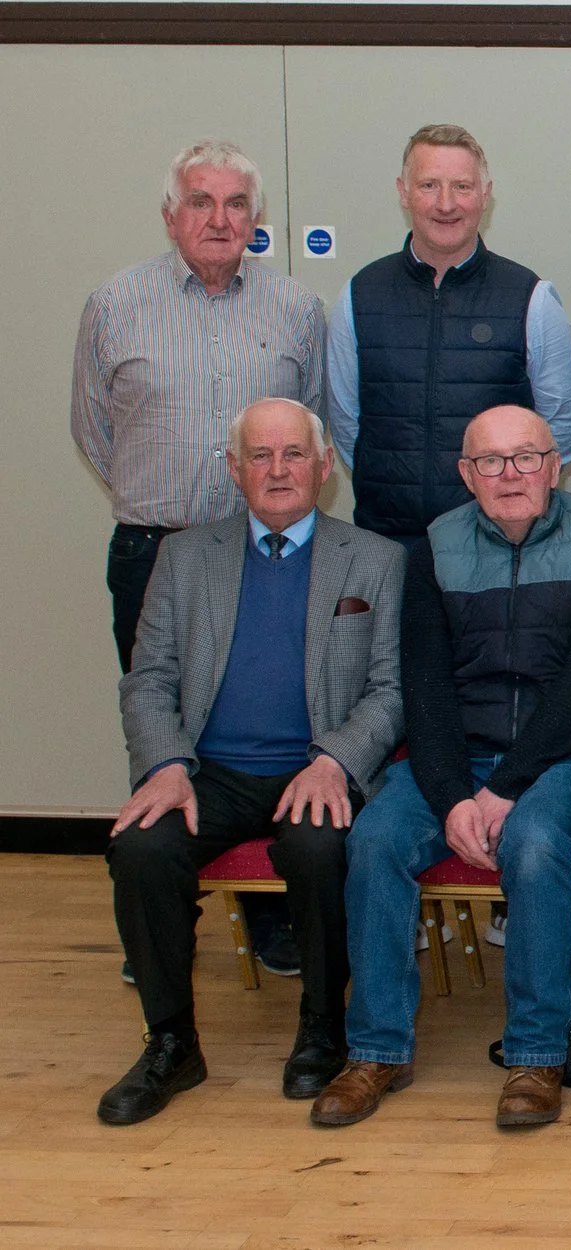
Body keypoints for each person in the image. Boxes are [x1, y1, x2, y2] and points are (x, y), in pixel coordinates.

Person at [313, 405, 571, 1130]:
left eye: (526, 457)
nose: (510, 474)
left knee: (535, 843)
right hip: (454, 759)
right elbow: (421, 686)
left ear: (556, 466)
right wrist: (457, 795)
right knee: (374, 842)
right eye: (491, 461)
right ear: (466, 474)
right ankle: (377, 1049)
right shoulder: (430, 550)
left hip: (565, 754)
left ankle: (535, 1054)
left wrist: (504, 789)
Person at [98, 398, 404, 1125]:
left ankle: (323, 1031)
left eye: (294, 454)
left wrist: (336, 758)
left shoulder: (377, 559)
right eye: (260, 456)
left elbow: (391, 688)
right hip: (208, 773)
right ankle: (172, 1042)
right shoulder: (184, 555)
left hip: (315, 767)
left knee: (320, 845)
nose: (278, 470)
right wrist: (165, 765)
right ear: (234, 469)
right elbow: (148, 678)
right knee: (140, 849)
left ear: (324, 466)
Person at [73, 139, 327, 975]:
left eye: (235, 204)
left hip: (273, 554)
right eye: (200, 201)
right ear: (170, 213)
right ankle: (160, 910)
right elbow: (95, 430)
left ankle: (273, 917)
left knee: (272, 727)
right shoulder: (116, 303)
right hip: (157, 550)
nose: (218, 219)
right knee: (163, 725)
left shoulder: (295, 308)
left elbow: (314, 422)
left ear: (257, 219)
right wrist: (167, 506)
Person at [325, 123, 571, 541]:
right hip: (389, 539)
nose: (446, 204)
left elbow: (561, 431)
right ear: (403, 192)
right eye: (428, 185)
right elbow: (348, 426)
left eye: (462, 186)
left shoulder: (532, 299)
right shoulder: (358, 296)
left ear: (485, 194)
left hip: (498, 539)